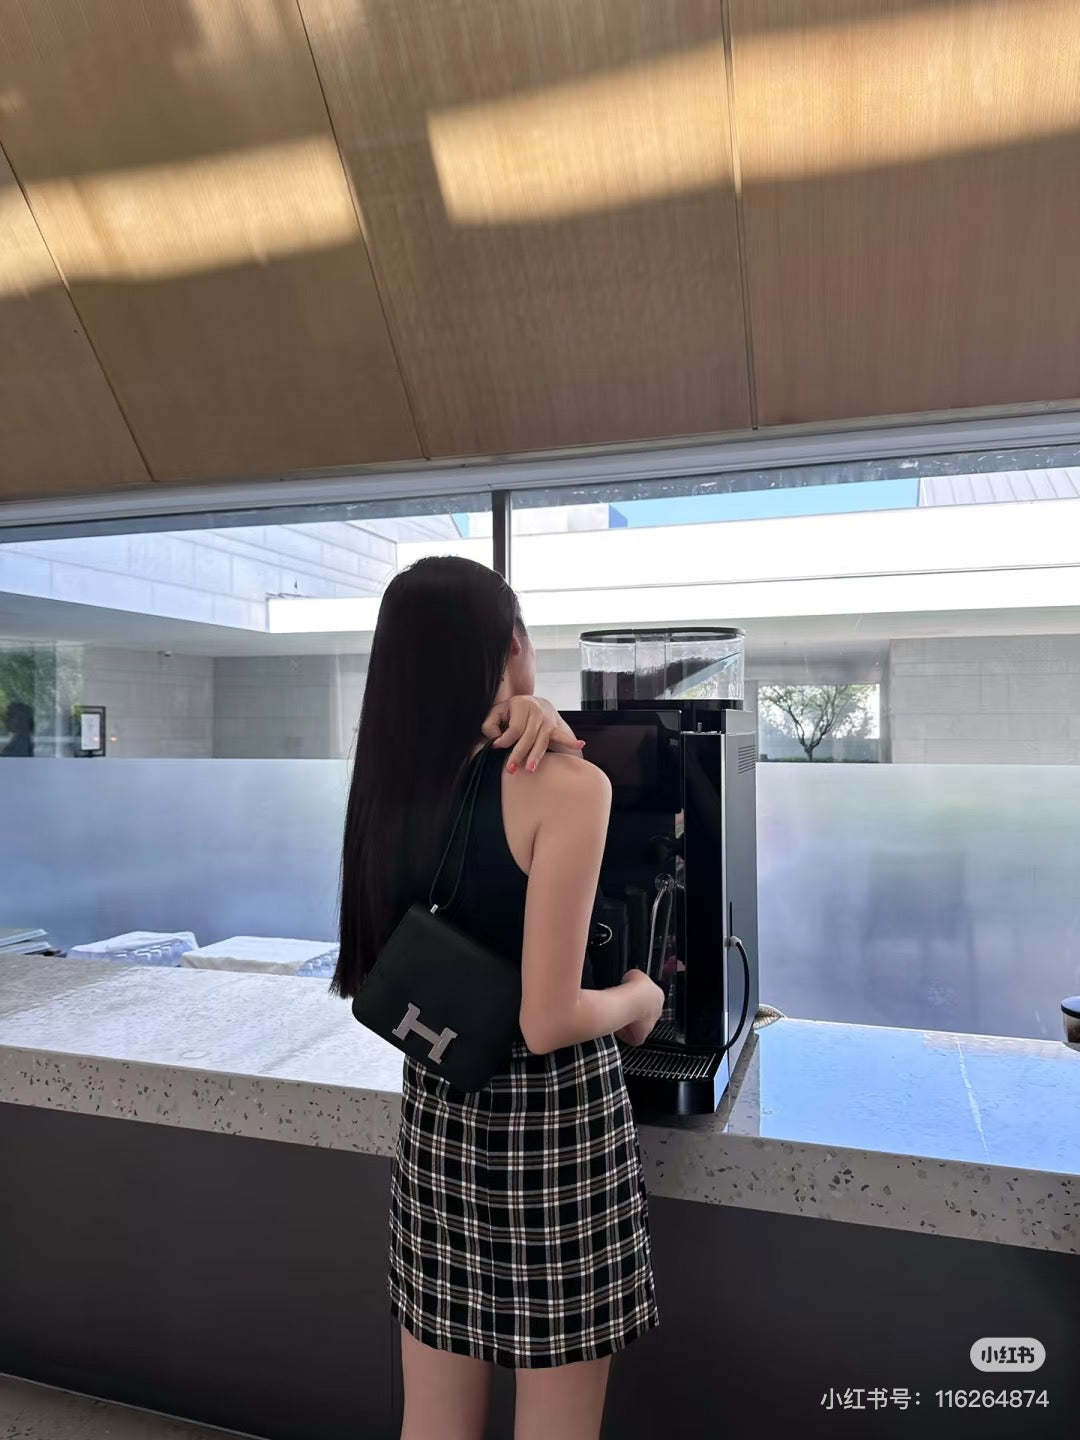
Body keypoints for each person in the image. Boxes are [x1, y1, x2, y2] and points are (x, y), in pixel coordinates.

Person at [333, 556, 664, 1440]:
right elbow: (549, 1020)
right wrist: (636, 998)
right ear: (512, 644)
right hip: (557, 1136)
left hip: (440, 1116)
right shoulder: (570, 786)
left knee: (435, 1423)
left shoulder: (390, 782)